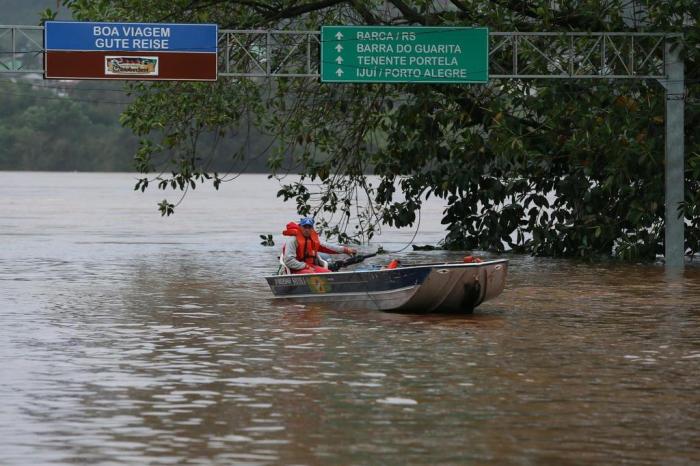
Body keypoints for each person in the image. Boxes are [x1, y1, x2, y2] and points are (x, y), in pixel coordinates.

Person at [281, 217, 357, 274]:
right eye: (305, 227)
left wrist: (345, 250)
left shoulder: (313, 240)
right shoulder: (292, 240)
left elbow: (328, 247)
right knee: (312, 275)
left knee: (328, 273)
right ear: (300, 227)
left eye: (309, 227)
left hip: (311, 267)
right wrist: (304, 266)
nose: (307, 229)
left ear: (312, 228)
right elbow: (288, 261)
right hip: (295, 269)